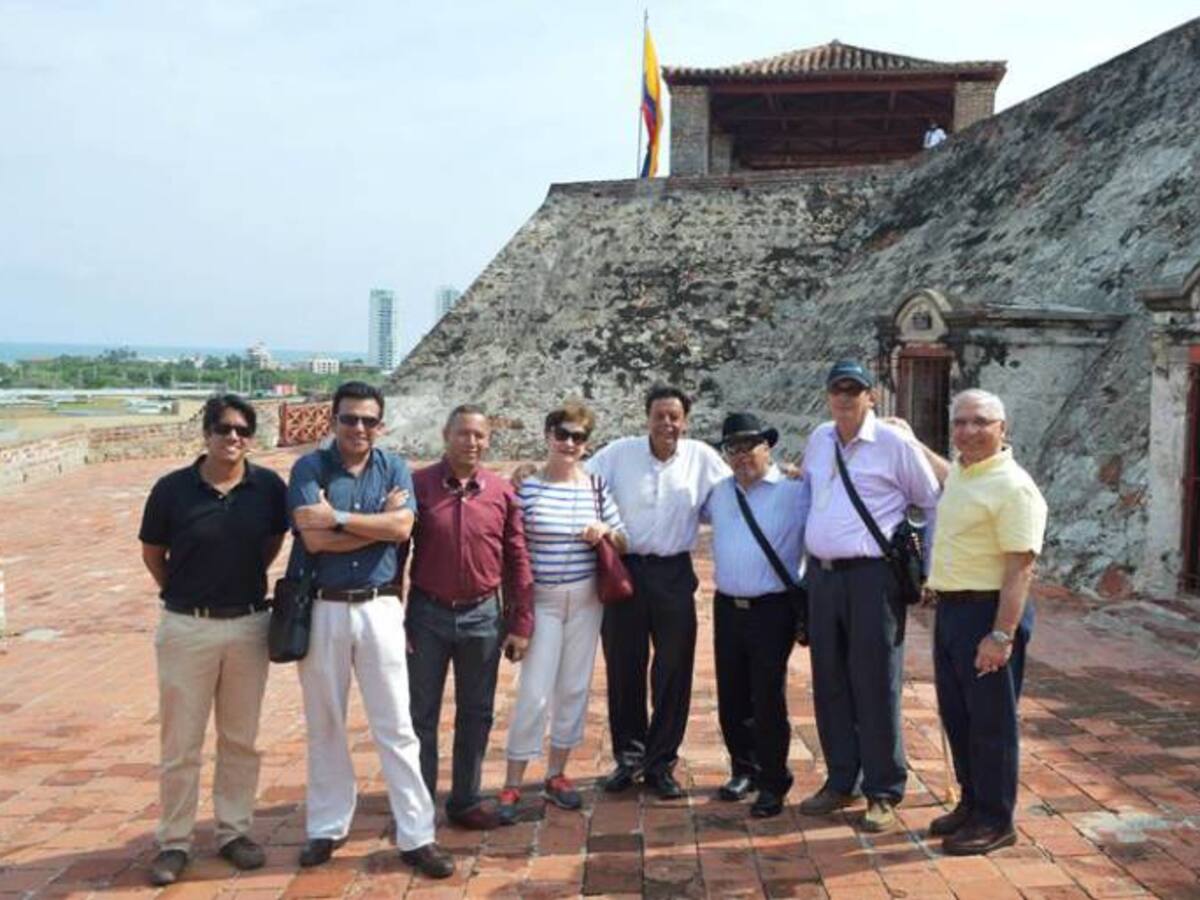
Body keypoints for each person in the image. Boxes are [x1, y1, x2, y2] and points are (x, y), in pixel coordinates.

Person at [288, 381, 452, 879]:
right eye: (349, 419)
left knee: (397, 725)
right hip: (324, 606)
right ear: (332, 421)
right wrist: (373, 522)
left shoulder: (393, 466)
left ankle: (417, 834)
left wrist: (337, 517)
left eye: (368, 420)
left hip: (379, 607)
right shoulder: (308, 468)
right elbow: (311, 540)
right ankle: (328, 824)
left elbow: (401, 531)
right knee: (326, 721)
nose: (358, 428)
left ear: (380, 425)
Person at [138, 394, 287, 886]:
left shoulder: (266, 488)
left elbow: (270, 545)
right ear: (205, 433)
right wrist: (184, 591)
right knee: (181, 741)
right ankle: (175, 840)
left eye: (243, 430)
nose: (233, 438)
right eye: (224, 429)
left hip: (247, 625)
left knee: (240, 739)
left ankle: (232, 831)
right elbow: (153, 552)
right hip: (187, 626)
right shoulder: (173, 490)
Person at [799, 360, 940, 832]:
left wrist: (930, 567)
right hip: (822, 578)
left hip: (872, 578)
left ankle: (883, 788)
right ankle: (842, 779)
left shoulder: (894, 443)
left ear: (871, 397)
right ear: (826, 396)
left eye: (854, 390)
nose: (845, 397)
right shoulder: (819, 439)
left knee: (877, 682)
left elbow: (930, 498)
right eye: (837, 389)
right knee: (830, 680)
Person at [586, 385, 730, 798]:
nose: (667, 423)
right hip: (625, 572)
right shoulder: (619, 453)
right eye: (659, 415)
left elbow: (736, 490)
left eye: (674, 416)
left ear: (685, 420)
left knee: (673, 670)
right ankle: (629, 758)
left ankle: (661, 761)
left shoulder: (701, 457)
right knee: (623, 667)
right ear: (646, 417)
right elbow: (582, 481)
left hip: (673, 574)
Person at [921, 390, 1046, 855]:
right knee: (959, 716)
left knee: (991, 721)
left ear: (1003, 428)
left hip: (989, 613)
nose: (969, 431)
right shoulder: (966, 474)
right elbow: (945, 472)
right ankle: (972, 803)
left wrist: (1001, 634)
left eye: (981, 422)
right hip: (952, 611)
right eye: (960, 422)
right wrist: (911, 442)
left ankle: (996, 819)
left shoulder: (1013, 486)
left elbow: (1021, 567)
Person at [497, 402, 627, 822]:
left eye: (578, 437)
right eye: (563, 434)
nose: (569, 443)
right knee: (534, 692)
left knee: (574, 687)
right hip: (544, 600)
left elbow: (624, 539)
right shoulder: (526, 488)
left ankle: (557, 773)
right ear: (548, 435)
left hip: (586, 598)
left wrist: (605, 531)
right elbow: (511, 548)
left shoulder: (596, 487)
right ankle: (513, 780)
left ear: (587, 445)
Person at [407, 405, 535, 829]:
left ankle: (464, 799)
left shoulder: (500, 492)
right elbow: (396, 554)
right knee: (420, 713)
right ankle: (419, 803)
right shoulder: (419, 485)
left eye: (480, 435)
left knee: (476, 711)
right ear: (446, 435)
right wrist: (395, 614)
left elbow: (517, 559)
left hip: (482, 614)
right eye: (463, 434)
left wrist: (521, 623)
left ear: (489, 440)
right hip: (427, 613)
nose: (472, 442)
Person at [704, 413, 810, 818]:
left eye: (751, 445)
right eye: (734, 448)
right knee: (731, 694)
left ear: (768, 447)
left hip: (772, 607)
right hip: (728, 606)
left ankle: (773, 780)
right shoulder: (719, 493)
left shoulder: (795, 491)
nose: (743, 455)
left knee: (767, 695)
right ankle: (742, 769)